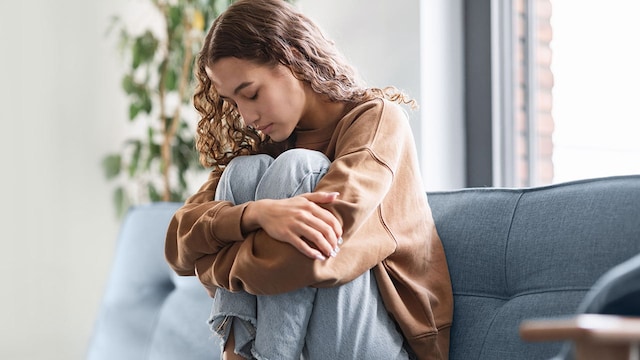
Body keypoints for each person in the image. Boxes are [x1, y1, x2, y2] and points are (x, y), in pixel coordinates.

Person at [164, 0, 453, 359]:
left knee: (297, 168)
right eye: (233, 102)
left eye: (251, 93)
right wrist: (255, 215)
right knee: (244, 172)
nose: (246, 115)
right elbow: (178, 246)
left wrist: (212, 265)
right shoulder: (265, 146)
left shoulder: (377, 122)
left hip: (383, 342)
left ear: (294, 57)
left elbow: (307, 259)